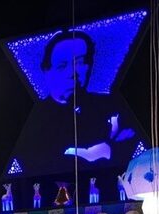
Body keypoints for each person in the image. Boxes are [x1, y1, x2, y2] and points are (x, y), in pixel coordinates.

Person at [8, 29, 144, 178]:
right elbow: (34, 161)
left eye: (79, 62)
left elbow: (132, 147)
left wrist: (108, 149)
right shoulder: (35, 122)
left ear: (90, 66)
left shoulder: (111, 106)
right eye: (62, 66)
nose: (72, 72)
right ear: (47, 72)